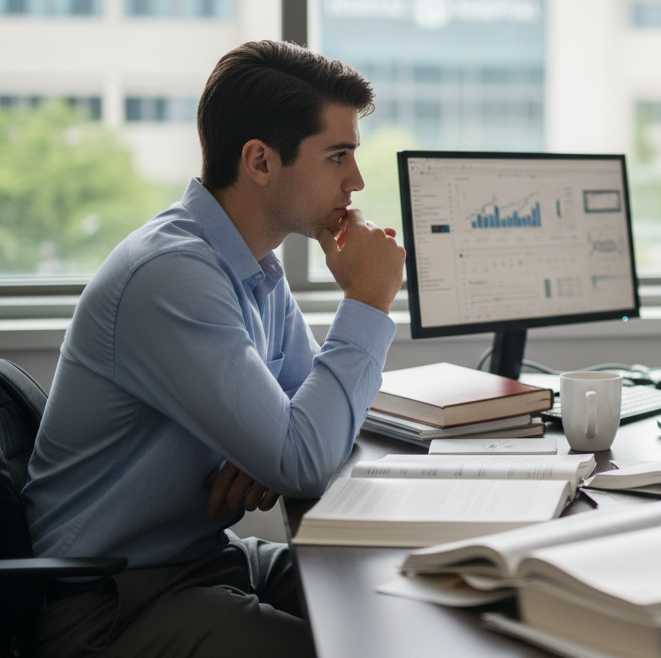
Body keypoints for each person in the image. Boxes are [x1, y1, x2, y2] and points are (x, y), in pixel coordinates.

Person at [23, 40, 406, 657]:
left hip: (205, 561)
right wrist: (367, 302)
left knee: (398, 602)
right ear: (260, 160)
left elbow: (319, 431)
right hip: (114, 601)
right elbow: (305, 453)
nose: (355, 181)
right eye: (338, 156)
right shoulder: (171, 275)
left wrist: (277, 448)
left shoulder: (256, 269)